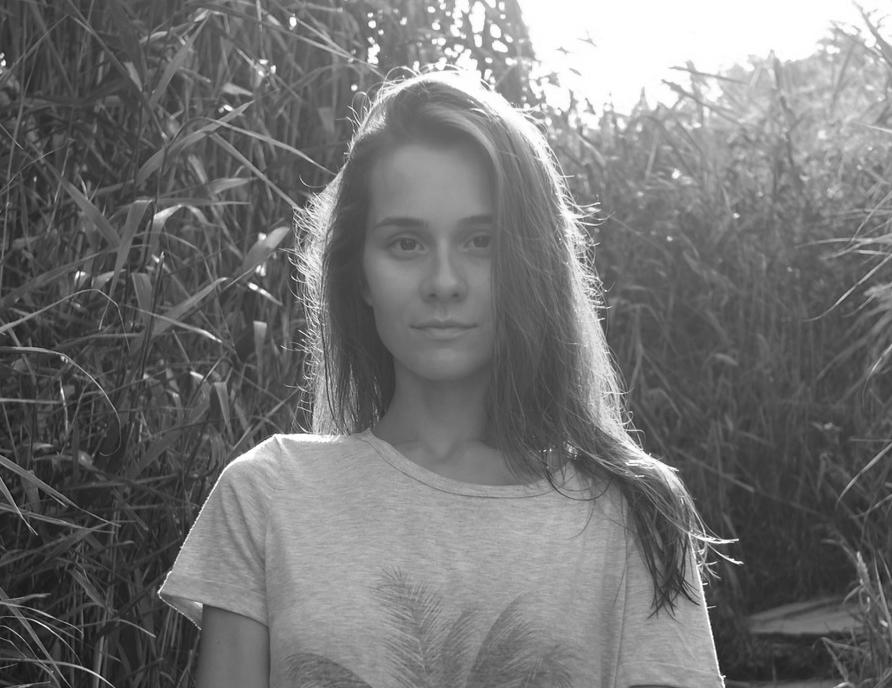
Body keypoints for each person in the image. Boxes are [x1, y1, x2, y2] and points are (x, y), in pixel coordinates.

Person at [159, 69, 726, 688]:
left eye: (481, 240)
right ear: (359, 277)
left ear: (531, 262)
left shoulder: (630, 514)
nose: (444, 281)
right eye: (406, 243)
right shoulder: (266, 497)